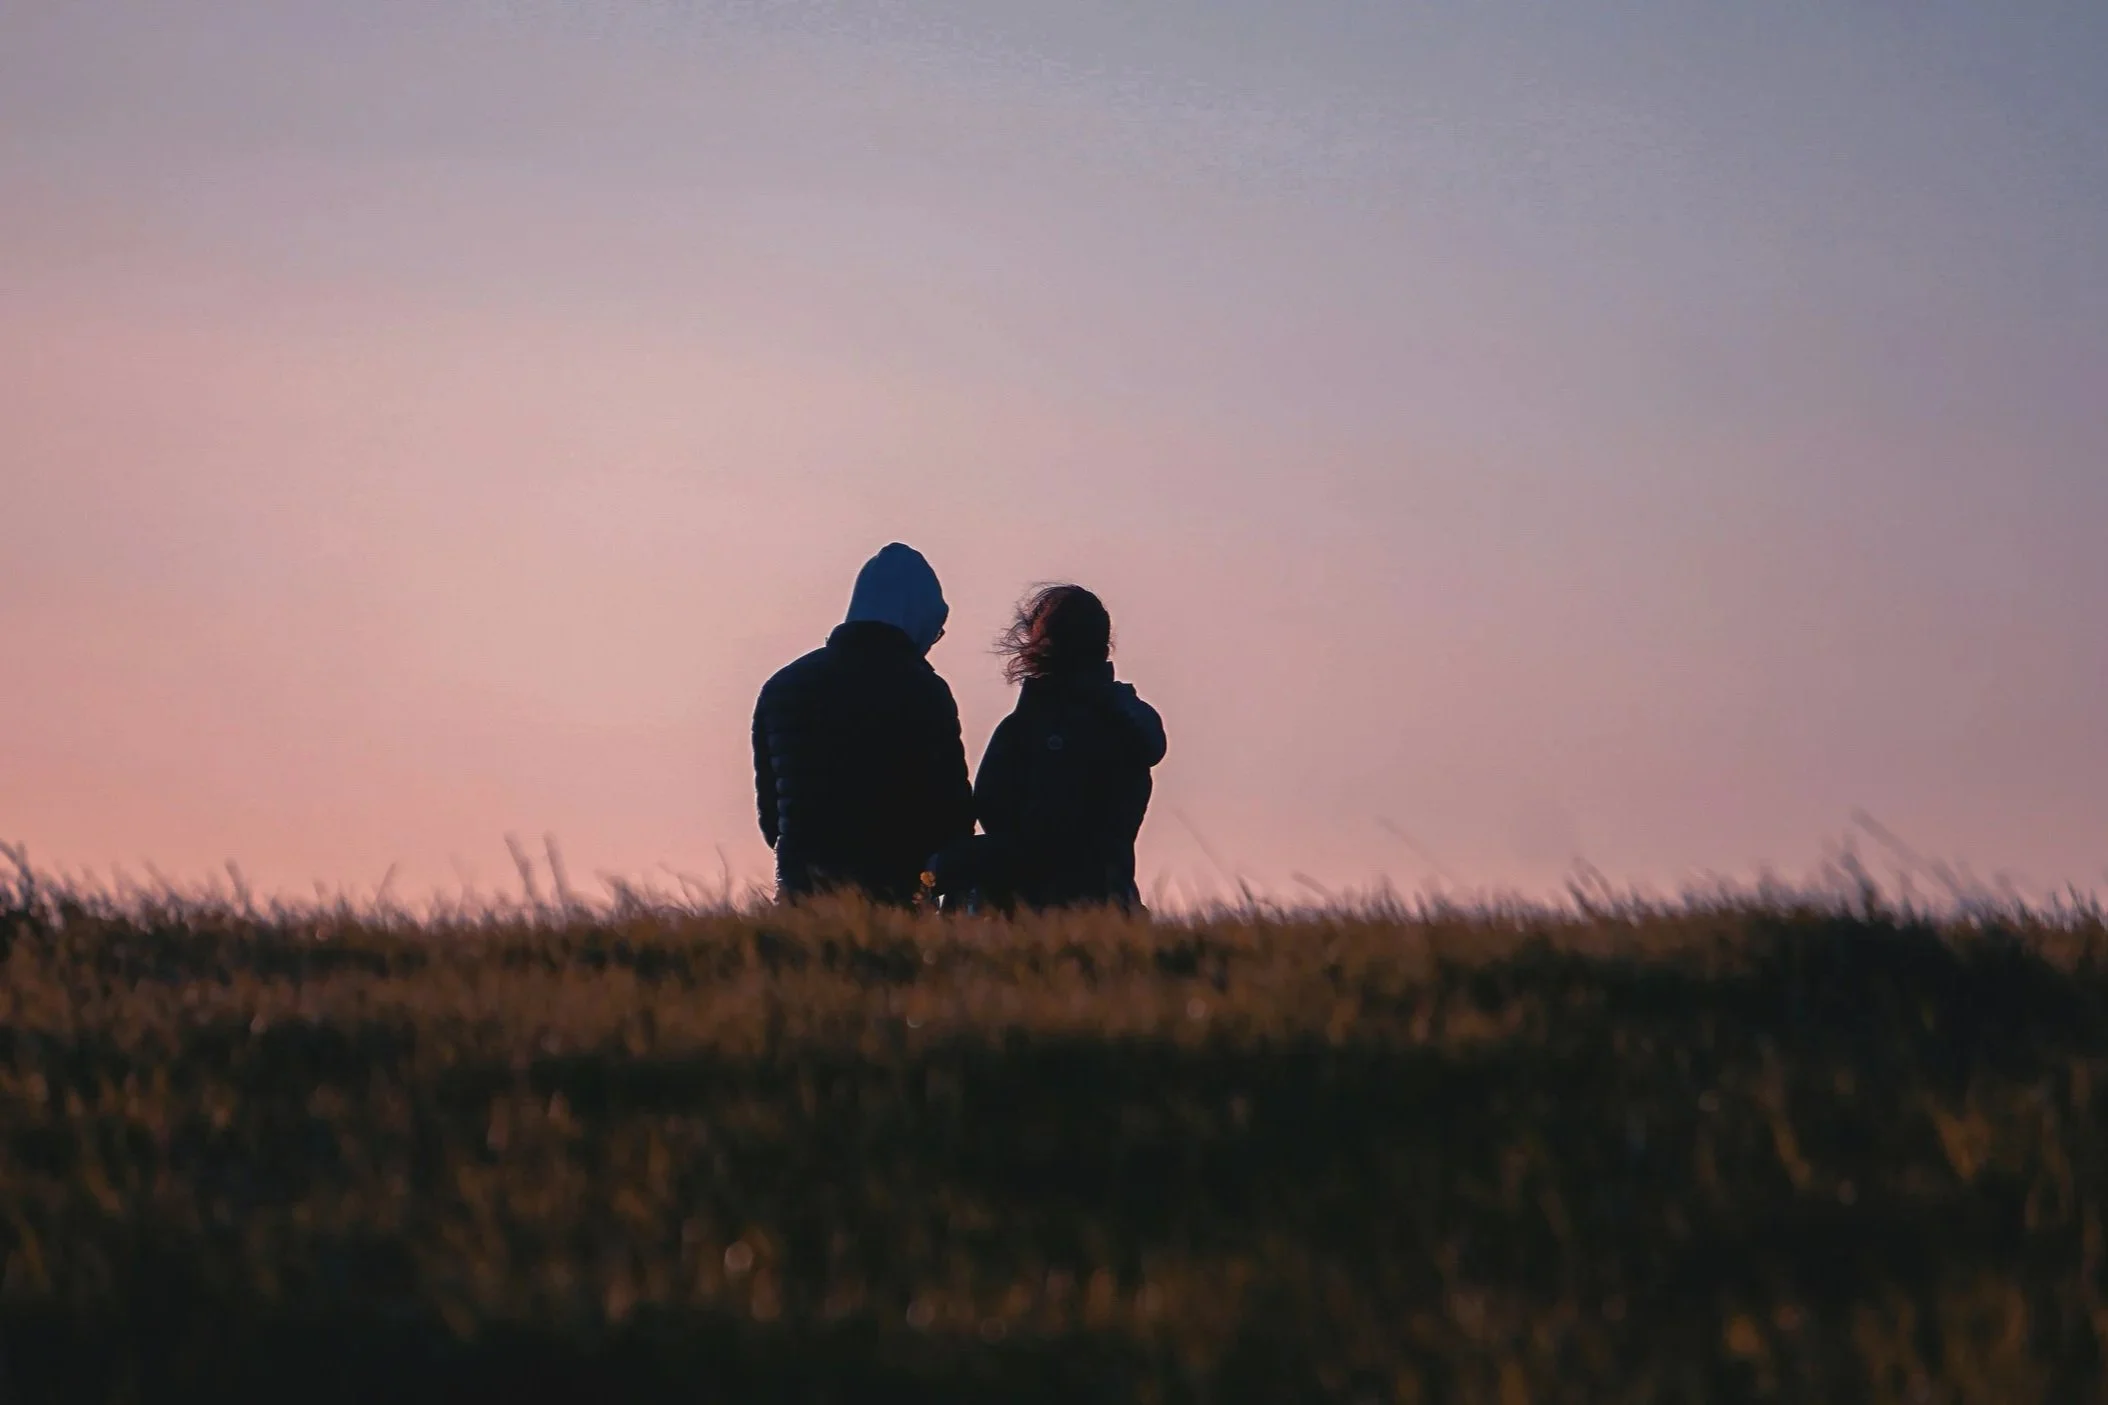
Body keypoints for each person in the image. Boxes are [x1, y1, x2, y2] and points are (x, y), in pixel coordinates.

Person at [752, 543, 974, 904]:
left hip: (801, 896)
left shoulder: (783, 687)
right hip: (897, 895)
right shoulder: (923, 691)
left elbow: (771, 820)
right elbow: (952, 813)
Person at [965, 584, 1166, 911]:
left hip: (1023, 914)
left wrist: (966, 861)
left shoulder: (1026, 729)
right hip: (1112, 908)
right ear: (1104, 647)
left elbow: (1011, 820)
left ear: (1040, 644)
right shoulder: (1124, 725)